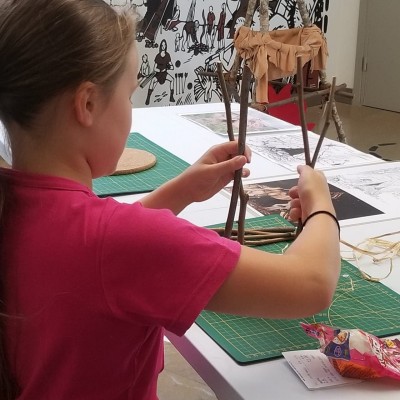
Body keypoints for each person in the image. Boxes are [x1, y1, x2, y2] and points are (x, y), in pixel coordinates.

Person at [0, 1, 340, 399]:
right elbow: (311, 284)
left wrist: (182, 191)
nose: (130, 109)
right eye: (130, 95)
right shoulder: (119, 243)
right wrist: (321, 204)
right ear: (87, 104)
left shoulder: (15, 206)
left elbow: (94, 253)